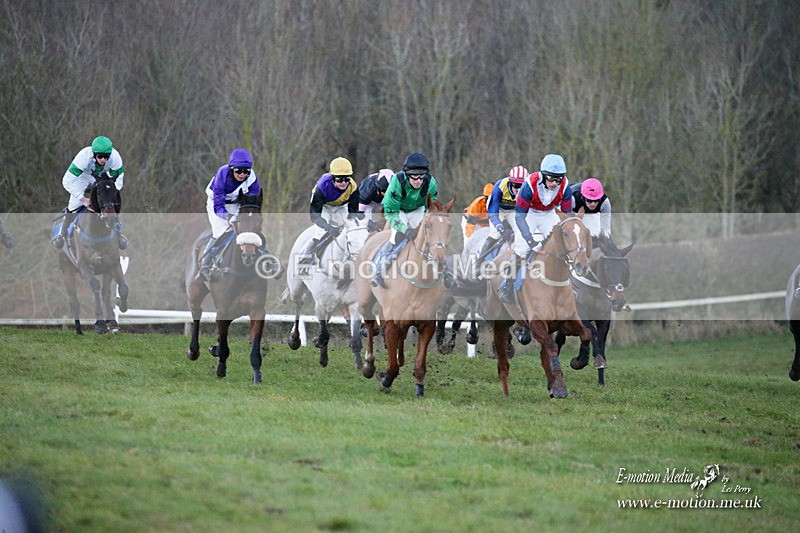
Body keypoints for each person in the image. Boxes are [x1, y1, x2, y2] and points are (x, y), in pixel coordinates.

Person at [372, 151, 453, 289]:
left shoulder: (431, 182)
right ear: (407, 174)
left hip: (418, 209)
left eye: (421, 177)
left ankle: (446, 272)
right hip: (398, 210)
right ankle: (380, 269)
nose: (418, 181)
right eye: (414, 177)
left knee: (432, 235)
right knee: (396, 237)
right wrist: (405, 229)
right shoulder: (397, 182)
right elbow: (391, 213)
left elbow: (431, 207)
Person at [500, 154, 574, 303]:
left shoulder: (565, 186)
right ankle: (508, 286)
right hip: (529, 213)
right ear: (543, 175)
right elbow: (520, 217)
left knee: (562, 246)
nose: (555, 183)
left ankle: (572, 284)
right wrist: (530, 240)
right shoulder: (529, 184)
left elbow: (566, 216)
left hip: (549, 213)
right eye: (551, 179)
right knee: (521, 249)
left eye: (558, 179)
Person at [197, 148, 261, 281]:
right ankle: (205, 265)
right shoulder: (222, 175)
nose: (242, 174)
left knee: (249, 230)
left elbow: (252, 201)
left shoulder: (252, 178)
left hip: (237, 204)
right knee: (221, 231)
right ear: (231, 168)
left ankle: (268, 260)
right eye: (238, 170)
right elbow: (218, 206)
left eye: (246, 171)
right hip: (218, 204)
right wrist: (228, 217)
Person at [52, 135, 127, 250]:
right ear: (94, 154)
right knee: (74, 205)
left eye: (106, 157)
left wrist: (109, 197)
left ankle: (118, 232)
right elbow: (66, 181)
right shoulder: (83, 157)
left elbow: (119, 181)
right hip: (83, 177)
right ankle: (62, 233)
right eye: (100, 156)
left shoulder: (115, 157)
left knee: (111, 204)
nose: (103, 160)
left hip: (103, 178)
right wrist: (83, 199)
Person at [299, 156, 362, 265]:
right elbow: (315, 216)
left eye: (347, 179)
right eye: (339, 179)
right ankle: (305, 258)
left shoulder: (353, 187)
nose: (344, 183)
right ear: (333, 178)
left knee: (350, 228)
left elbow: (353, 212)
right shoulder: (322, 187)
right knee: (321, 232)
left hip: (341, 206)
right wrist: (328, 227)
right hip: (324, 206)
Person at [476, 165, 527, 262]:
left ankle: (519, 256)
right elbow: (493, 212)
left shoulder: (528, 190)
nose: (519, 189)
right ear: (510, 182)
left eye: (522, 186)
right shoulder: (500, 186)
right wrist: (501, 229)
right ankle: (479, 261)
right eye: (516, 185)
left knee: (521, 231)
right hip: (498, 209)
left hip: (512, 210)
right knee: (495, 234)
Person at [571, 178, 611, 243]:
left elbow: (605, 229)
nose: (593, 204)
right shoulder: (572, 199)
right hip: (571, 207)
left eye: (596, 200)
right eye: (589, 200)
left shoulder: (605, 203)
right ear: (583, 197)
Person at [358, 168, 394, 232]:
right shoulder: (366, 192)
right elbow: (359, 214)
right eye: (384, 190)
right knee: (365, 224)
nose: (387, 194)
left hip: (381, 199)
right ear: (378, 188)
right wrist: (371, 224)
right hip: (369, 202)